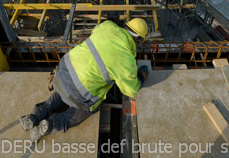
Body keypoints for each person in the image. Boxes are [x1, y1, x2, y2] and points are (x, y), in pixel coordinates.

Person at [20, 18, 150, 142]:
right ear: (139, 40)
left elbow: (95, 31)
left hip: (62, 72)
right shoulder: (127, 60)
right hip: (79, 94)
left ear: (127, 26)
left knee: (58, 96)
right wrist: (141, 76)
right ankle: (51, 124)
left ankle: (34, 116)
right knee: (80, 112)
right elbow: (131, 90)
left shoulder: (108, 26)